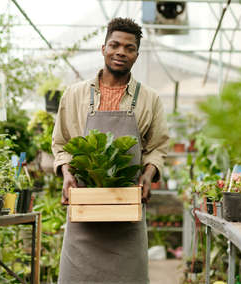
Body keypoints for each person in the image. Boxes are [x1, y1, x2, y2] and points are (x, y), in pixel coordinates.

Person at [52, 17, 169, 284]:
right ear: (103, 48)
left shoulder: (150, 98)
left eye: (129, 48)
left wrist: (148, 176)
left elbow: (158, 147)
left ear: (136, 55)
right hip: (84, 208)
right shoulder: (74, 95)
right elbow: (61, 143)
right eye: (115, 45)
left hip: (127, 207)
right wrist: (67, 174)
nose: (121, 52)